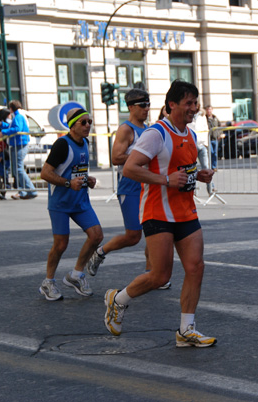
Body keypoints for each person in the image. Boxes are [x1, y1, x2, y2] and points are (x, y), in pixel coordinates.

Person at [103, 80, 217, 348]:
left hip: (186, 212)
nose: (194, 108)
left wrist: (197, 175)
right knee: (160, 276)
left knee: (195, 267)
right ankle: (118, 300)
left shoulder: (190, 135)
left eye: (195, 102)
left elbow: (183, 171)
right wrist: (166, 179)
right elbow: (130, 168)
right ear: (172, 105)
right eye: (188, 103)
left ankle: (186, 329)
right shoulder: (156, 133)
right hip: (158, 212)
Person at [85, 89, 170, 290]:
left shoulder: (149, 129)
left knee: (152, 231)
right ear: (131, 107)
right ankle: (100, 252)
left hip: (147, 187)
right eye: (142, 106)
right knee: (133, 236)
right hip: (130, 188)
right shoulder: (126, 129)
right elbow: (116, 157)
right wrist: (141, 157)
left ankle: (153, 274)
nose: (146, 109)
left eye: (148, 105)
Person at [39, 108, 103, 301]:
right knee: (61, 244)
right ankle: (48, 282)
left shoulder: (85, 142)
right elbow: (45, 173)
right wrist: (67, 183)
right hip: (61, 202)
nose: (88, 126)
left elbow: (77, 170)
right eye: (83, 122)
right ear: (72, 125)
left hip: (80, 201)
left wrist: (87, 179)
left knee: (96, 236)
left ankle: (76, 275)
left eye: (89, 121)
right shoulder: (62, 145)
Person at [0, 100, 38, 200]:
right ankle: (24, 191)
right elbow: (11, 127)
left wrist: (3, 132)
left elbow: (17, 129)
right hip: (17, 144)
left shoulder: (18, 117)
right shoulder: (17, 117)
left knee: (19, 169)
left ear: (11, 108)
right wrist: (1, 125)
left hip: (20, 144)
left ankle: (30, 189)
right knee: (17, 169)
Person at [205, 105, 221, 171]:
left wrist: (219, 134)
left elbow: (219, 127)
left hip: (215, 138)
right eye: (208, 109)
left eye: (210, 109)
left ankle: (214, 166)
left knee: (215, 153)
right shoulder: (204, 118)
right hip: (208, 138)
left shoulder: (215, 118)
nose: (209, 111)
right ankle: (210, 166)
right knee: (210, 152)